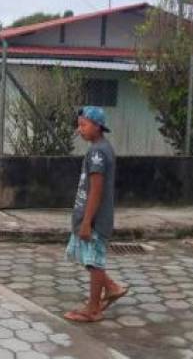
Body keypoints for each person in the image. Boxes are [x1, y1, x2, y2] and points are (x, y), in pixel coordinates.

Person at [64, 106, 128, 323]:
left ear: (98, 126)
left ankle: (93, 308)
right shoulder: (99, 148)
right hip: (88, 216)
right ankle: (110, 287)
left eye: (84, 125)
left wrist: (87, 222)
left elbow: (97, 189)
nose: (79, 129)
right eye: (78, 125)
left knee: (96, 262)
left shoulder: (98, 152)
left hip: (95, 219)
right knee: (89, 259)